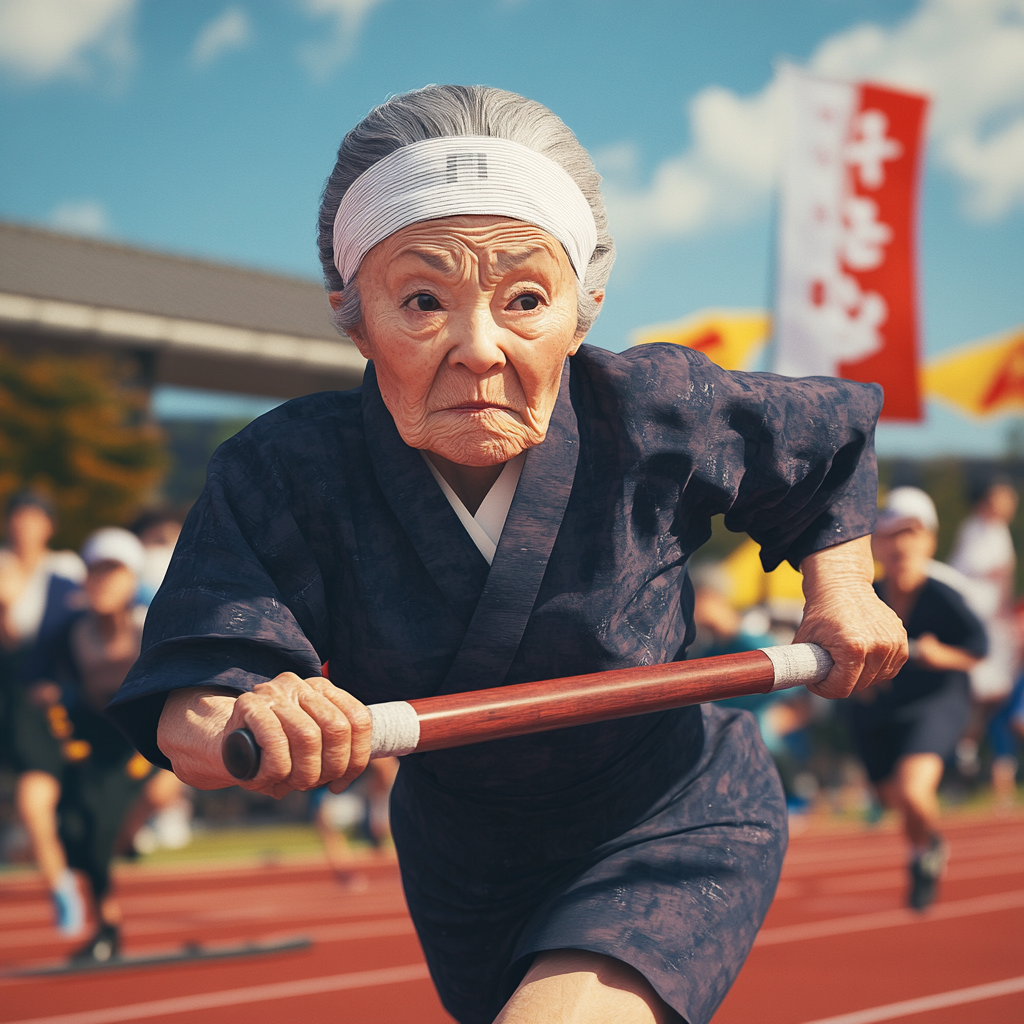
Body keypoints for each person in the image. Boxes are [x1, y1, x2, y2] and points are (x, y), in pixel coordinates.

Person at [108, 85, 905, 1024]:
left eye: (526, 298)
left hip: (669, 812)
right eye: (421, 300)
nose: (478, 349)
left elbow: (824, 446)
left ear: (586, 307)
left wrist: (844, 586)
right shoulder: (284, 471)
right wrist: (254, 714)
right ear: (351, 314)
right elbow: (191, 708)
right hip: (465, 862)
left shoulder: (656, 411)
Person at [15, 527, 173, 962]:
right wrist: (45, 692)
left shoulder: (149, 628)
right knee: (76, 830)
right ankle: (108, 926)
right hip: (97, 742)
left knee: (108, 828)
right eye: (94, 573)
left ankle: (110, 918)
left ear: (131, 580)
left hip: (143, 740)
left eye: (113, 572)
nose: (102, 582)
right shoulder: (73, 632)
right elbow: (39, 675)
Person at [847, 488, 987, 910]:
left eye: (911, 532)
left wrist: (940, 654)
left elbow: (978, 650)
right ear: (876, 545)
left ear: (929, 540)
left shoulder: (946, 595)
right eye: (890, 534)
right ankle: (928, 843)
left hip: (935, 703)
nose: (901, 543)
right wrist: (859, 681)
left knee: (912, 792)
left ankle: (921, 856)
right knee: (894, 801)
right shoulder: (863, 596)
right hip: (876, 708)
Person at [0, 491, 86, 933]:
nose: (25, 527)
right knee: (31, 805)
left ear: (48, 525)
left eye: (34, 519)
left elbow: (78, 632)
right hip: (9, 692)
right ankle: (59, 880)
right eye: (18, 518)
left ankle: (64, 884)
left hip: (51, 701)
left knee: (40, 802)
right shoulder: (3, 568)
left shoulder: (65, 569)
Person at [948, 477, 1019, 796]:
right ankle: (968, 755)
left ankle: (981, 760)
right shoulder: (975, 530)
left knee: (995, 700)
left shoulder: (996, 532)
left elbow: (1002, 579)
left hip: (990, 624)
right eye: (1004, 497)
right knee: (978, 694)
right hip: (976, 625)